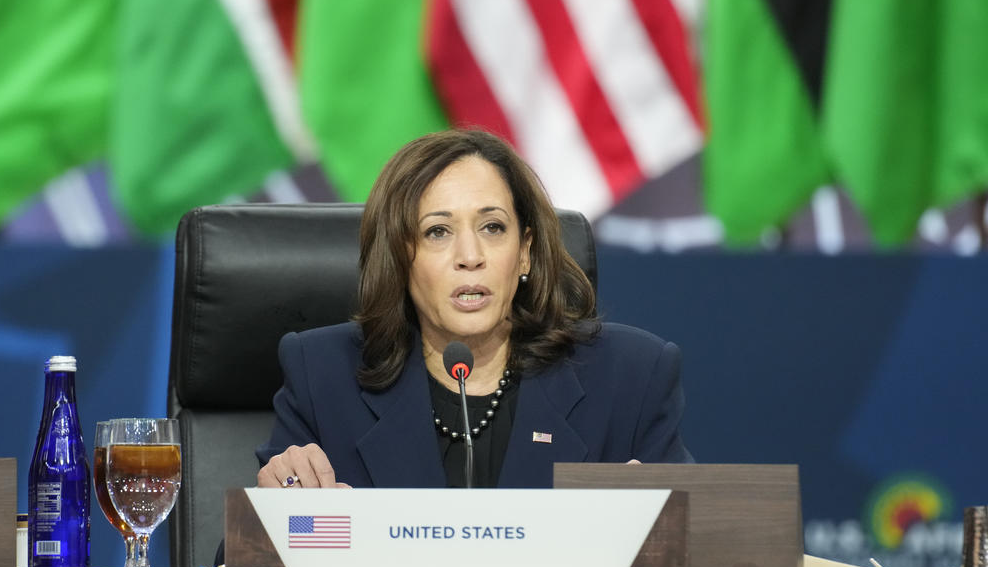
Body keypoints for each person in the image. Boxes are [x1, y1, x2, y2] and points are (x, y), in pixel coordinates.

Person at [256, 128, 692, 490]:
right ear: (400, 258)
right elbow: (238, 564)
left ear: (524, 253)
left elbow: (705, 558)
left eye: (492, 227)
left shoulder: (629, 377)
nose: (470, 255)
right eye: (438, 231)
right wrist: (284, 515)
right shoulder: (324, 377)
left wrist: (659, 528)